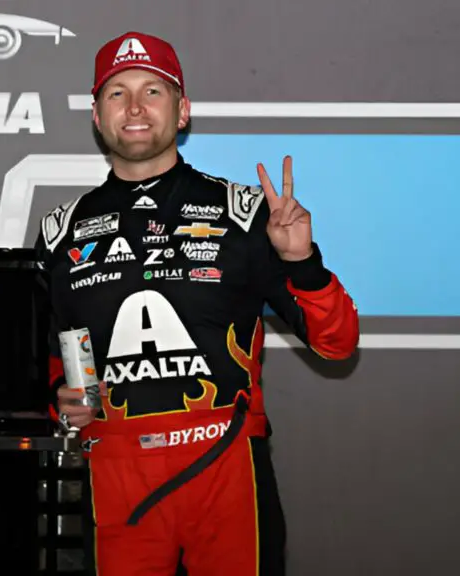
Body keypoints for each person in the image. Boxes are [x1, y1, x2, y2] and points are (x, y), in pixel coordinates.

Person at [34, 31, 360, 576]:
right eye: (117, 93)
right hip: (115, 472)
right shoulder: (60, 233)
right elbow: (56, 362)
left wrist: (302, 261)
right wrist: (58, 397)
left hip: (224, 462)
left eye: (153, 91)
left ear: (182, 111)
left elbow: (337, 343)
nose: (135, 107)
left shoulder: (245, 215)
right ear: (97, 116)